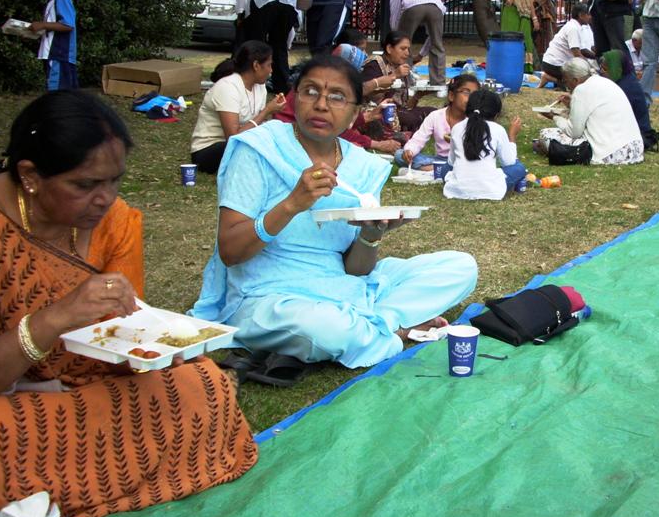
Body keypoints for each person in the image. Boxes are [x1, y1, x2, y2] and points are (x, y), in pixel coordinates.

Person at [0, 91, 257, 517]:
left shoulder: (116, 220)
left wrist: (157, 349)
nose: (105, 198)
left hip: (85, 390)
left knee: (206, 383)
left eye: (114, 181)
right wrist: (51, 321)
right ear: (30, 176)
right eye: (85, 185)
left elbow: (124, 331)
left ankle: (60, 483)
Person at [191, 55, 478, 368]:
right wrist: (291, 205)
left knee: (461, 267)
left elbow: (355, 269)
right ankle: (393, 332)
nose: (321, 105)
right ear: (293, 98)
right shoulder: (257, 149)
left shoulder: (363, 166)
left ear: (355, 112)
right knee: (323, 330)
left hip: (342, 283)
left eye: (337, 97)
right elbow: (230, 252)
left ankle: (373, 322)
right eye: (310, 91)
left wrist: (371, 233)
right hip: (268, 295)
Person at [190, 41, 287, 174]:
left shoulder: (260, 86)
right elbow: (233, 137)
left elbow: (257, 128)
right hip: (209, 150)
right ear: (256, 65)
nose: (271, 71)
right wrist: (267, 111)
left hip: (243, 143)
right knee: (249, 146)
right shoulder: (227, 87)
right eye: (269, 65)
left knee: (279, 135)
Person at [534, 58, 644, 165]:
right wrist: (572, 105)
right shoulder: (604, 81)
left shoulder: (581, 90)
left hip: (610, 153)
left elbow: (574, 132)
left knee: (546, 133)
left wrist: (554, 117)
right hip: (635, 149)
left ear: (575, 80)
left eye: (565, 81)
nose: (565, 85)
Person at [443, 89, 525, 200]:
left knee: (445, 168)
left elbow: (451, 162)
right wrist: (512, 137)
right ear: (496, 114)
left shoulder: (457, 128)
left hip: (457, 189)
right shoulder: (498, 129)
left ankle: (464, 183)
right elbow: (509, 162)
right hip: (490, 190)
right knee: (519, 168)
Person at [235, 0, 299, 94]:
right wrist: (288, 44)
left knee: (255, 43)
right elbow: (290, 29)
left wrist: (240, 12)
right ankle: (282, 87)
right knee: (279, 45)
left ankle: (249, 81)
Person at [397, 73, 480, 171]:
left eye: (475, 95)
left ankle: (438, 170)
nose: (471, 98)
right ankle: (445, 169)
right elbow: (418, 139)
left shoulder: (476, 119)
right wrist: (409, 151)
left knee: (474, 164)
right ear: (451, 96)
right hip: (441, 160)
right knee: (399, 155)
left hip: (464, 159)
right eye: (466, 92)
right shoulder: (435, 116)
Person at [362, 30, 434, 132]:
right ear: (389, 48)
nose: (407, 53)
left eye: (408, 49)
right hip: (377, 112)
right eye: (403, 49)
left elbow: (405, 106)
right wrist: (395, 75)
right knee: (410, 119)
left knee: (434, 113)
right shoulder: (374, 64)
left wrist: (418, 95)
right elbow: (373, 99)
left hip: (399, 111)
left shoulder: (399, 66)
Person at [29, 0, 77, 91]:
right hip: (54, 55)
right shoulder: (55, 0)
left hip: (59, 55)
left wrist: (43, 25)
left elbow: (68, 25)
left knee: (57, 93)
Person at [389, 0, 446, 85]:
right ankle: (438, 83)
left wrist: (395, 39)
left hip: (413, 4)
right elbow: (431, 38)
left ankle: (406, 81)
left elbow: (395, 17)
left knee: (403, 43)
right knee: (437, 44)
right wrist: (421, 55)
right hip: (436, 7)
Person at [599, 49, 653, 144]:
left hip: (635, 134)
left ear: (615, 69)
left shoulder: (625, 88)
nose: (601, 72)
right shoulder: (625, 79)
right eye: (601, 68)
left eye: (605, 69)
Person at [496, 0, 537, 71]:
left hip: (524, 15)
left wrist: (534, 18)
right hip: (512, 13)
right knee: (512, 37)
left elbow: (529, 1)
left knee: (525, 38)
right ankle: (510, 64)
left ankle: (525, 67)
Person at [540, 3, 593, 87]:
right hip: (554, 64)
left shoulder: (576, 27)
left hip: (554, 63)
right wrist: (590, 68)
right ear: (581, 15)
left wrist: (596, 56)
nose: (590, 17)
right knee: (579, 81)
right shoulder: (573, 28)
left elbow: (582, 50)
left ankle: (553, 79)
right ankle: (549, 78)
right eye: (588, 15)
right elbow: (577, 53)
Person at [529, 0, 556, 64]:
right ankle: (537, 64)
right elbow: (531, 2)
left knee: (544, 42)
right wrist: (535, 18)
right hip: (539, 17)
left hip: (544, 18)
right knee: (539, 42)